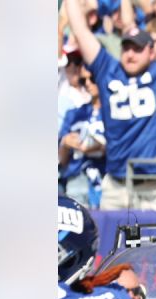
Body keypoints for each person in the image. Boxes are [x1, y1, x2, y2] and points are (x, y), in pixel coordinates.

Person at [64, 0, 156, 211]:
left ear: (151, 52)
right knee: (112, 243)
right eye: (126, 48)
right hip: (118, 184)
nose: (130, 54)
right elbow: (80, 32)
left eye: (137, 48)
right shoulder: (107, 68)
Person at [58, 67, 106, 209]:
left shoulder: (115, 113)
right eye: (83, 80)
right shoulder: (74, 113)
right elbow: (62, 160)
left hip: (105, 176)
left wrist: (101, 147)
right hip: (77, 178)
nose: (88, 84)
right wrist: (65, 143)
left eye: (92, 79)